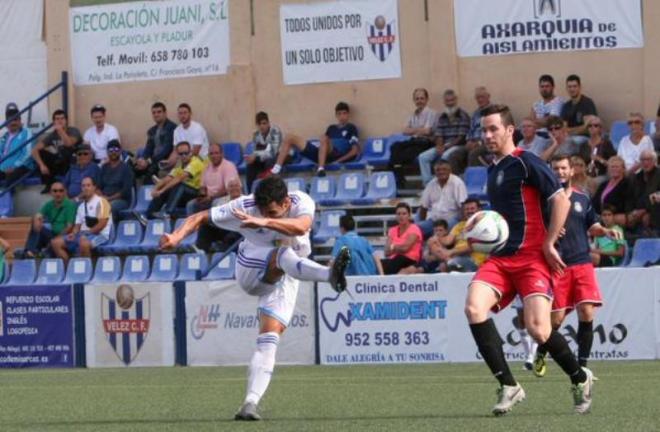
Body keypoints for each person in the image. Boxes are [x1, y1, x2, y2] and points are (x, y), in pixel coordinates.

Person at [159, 175, 352, 421]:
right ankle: (329, 275)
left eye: (271, 211)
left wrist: (263, 221)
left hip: (289, 274)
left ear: (285, 203)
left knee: (269, 339)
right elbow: (199, 217)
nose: (263, 213)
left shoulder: (302, 201)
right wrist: (176, 237)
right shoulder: (244, 207)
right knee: (282, 254)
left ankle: (249, 403)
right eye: (261, 210)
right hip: (252, 267)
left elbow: (302, 226)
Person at [464, 104, 593, 416]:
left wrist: (549, 242)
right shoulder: (493, 170)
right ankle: (509, 385)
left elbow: (561, 199)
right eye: (484, 129)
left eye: (494, 128)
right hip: (501, 259)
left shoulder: (527, 162)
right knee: (473, 307)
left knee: (540, 331)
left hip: (532, 258)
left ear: (510, 131)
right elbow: (503, 218)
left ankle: (579, 378)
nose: (488, 134)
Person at [533, 154, 621, 377]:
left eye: (563, 168)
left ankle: (582, 366)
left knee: (586, 311)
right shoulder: (545, 200)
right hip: (559, 265)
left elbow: (593, 225)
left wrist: (605, 231)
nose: (560, 172)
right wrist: (549, 232)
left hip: (582, 262)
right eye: (555, 169)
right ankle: (542, 352)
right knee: (556, 320)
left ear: (572, 171)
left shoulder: (582, 198)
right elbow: (536, 229)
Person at [269, 102, 359, 177]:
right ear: (336, 115)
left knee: (323, 138)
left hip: (336, 154)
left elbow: (354, 151)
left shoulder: (351, 128)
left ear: (348, 114)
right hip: (322, 154)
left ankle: (321, 169)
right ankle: (276, 169)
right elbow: (324, 144)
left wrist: (338, 161)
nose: (342, 116)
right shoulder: (331, 128)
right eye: (339, 114)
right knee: (289, 137)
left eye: (344, 113)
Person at [51, 176, 112, 263]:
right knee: (55, 242)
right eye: (83, 186)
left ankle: (85, 271)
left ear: (94, 187)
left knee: (83, 243)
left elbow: (102, 224)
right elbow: (77, 226)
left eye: (88, 185)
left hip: (100, 235)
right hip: (83, 235)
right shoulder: (81, 206)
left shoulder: (102, 202)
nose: (85, 188)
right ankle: (68, 269)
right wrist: (73, 234)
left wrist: (87, 233)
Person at [142, 141, 205, 220]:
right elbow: (168, 178)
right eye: (181, 154)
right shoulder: (179, 165)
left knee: (178, 185)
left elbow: (180, 178)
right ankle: (148, 216)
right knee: (168, 187)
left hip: (196, 194)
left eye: (186, 153)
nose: (184, 156)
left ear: (191, 152)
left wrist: (161, 191)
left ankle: (167, 213)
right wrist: (155, 190)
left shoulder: (196, 162)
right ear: (178, 155)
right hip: (182, 195)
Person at [388, 88, 437, 188]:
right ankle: (399, 178)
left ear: (427, 99)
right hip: (414, 140)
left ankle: (399, 180)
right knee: (395, 146)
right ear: (414, 100)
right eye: (417, 99)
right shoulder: (412, 114)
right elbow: (405, 131)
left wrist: (413, 130)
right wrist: (420, 129)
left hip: (425, 142)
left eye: (422, 98)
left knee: (395, 159)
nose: (419, 101)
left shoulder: (432, 113)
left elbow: (427, 131)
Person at [418, 89, 471, 181]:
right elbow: (439, 134)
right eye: (447, 101)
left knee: (445, 156)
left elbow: (461, 138)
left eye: (452, 100)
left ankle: (445, 183)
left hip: (458, 146)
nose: (450, 103)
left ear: (456, 100)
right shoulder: (442, 117)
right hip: (445, 145)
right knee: (423, 157)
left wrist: (446, 147)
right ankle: (428, 185)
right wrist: (439, 145)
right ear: (444, 101)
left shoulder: (463, 115)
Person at [31, 109, 82, 193]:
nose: (60, 121)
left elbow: (68, 144)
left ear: (66, 120)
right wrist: (42, 165)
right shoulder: (53, 135)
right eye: (57, 119)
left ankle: (65, 185)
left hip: (72, 161)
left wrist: (61, 131)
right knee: (42, 153)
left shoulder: (73, 131)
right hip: (60, 162)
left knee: (65, 150)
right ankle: (49, 184)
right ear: (54, 121)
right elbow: (34, 150)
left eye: (62, 118)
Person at [22, 182, 77, 258]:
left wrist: (58, 238)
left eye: (61, 191)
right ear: (51, 192)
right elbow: (38, 215)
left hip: (65, 237)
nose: (58, 193)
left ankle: (34, 252)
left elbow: (69, 226)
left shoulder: (69, 205)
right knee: (36, 225)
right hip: (52, 234)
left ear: (65, 192)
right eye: (55, 191)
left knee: (44, 233)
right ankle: (30, 252)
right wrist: (36, 220)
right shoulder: (49, 204)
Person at [417, 159, 467, 237]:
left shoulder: (457, 183)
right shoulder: (431, 184)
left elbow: (463, 205)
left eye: (444, 169)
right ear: (434, 172)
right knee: (416, 229)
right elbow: (424, 206)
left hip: (450, 220)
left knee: (442, 231)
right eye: (438, 170)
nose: (441, 172)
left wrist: (464, 225)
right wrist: (422, 222)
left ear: (450, 170)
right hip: (434, 220)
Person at [193, 177, 244, 252]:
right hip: (222, 226)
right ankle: (202, 250)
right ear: (227, 189)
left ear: (240, 187)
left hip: (237, 228)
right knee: (205, 226)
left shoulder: (246, 200)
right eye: (231, 186)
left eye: (236, 186)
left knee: (236, 231)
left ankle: (223, 249)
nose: (234, 188)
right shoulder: (220, 201)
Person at [186, 143, 239, 215]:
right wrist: (202, 196)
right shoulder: (206, 167)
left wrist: (211, 198)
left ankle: (213, 225)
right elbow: (203, 186)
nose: (214, 156)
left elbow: (228, 189)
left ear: (222, 154)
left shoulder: (229, 166)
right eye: (211, 154)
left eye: (216, 153)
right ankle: (195, 225)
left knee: (215, 204)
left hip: (225, 197)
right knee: (191, 205)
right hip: (209, 198)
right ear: (208, 156)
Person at [438, 198, 487, 272]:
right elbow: (447, 241)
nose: (469, 211)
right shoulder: (459, 225)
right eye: (467, 209)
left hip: (474, 260)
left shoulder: (483, 225)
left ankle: (449, 261)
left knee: (451, 263)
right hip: (457, 257)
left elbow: (473, 246)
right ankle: (448, 261)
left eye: (472, 208)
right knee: (443, 264)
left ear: (479, 210)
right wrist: (436, 237)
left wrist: (451, 252)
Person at [135, 102, 177, 183]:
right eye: (154, 112)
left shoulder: (172, 128)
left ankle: (150, 195)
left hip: (164, 161)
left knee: (149, 174)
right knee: (133, 170)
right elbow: (148, 148)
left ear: (165, 113)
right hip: (152, 160)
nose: (156, 115)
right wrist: (143, 159)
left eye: (159, 112)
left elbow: (166, 150)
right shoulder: (152, 130)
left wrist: (148, 161)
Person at [381, 203, 423, 275]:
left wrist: (393, 246)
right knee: (377, 263)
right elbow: (386, 252)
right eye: (399, 214)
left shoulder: (414, 229)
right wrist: (398, 248)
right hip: (394, 260)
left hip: (409, 261)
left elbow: (405, 248)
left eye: (404, 214)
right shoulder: (392, 230)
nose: (401, 216)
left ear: (409, 215)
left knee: (393, 261)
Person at [246, 112, 283, 192]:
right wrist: (253, 158)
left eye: (264, 123)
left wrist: (256, 155)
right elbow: (257, 150)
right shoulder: (256, 135)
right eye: (259, 124)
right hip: (266, 157)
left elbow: (274, 151)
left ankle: (270, 190)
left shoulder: (275, 131)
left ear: (268, 123)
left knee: (270, 160)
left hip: (282, 155)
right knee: (250, 165)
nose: (262, 126)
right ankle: (250, 193)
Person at [99, 140, 134, 222]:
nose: (113, 152)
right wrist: (102, 197)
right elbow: (98, 187)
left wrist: (109, 199)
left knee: (110, 206)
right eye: (110, 150)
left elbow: (125, 191)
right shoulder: (104, 167)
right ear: (107, 152)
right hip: (105, 199)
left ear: (120, 151)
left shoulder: (126, 168)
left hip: (121, 201)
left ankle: (110, 232)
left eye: (116, 150)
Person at [0, 103, 34, 185]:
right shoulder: (5, 136)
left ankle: (7, 196)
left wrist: (14, 167)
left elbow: (28, 153)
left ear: (20, 121)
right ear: (6, 122)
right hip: (4, 168)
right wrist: (2, 168)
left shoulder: (27, 133)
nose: (13, 123)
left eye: (15, 120)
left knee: (10, 178)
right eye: (10, 120)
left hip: (22, 167)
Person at [626, 150, 660, 231]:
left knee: (647, 217)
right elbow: (630, 197)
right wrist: (630, 212)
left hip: (654, 210)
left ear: (655, 161)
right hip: (637, 210)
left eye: (648, 159)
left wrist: (644, 210)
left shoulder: (658, 175)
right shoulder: (636, 177)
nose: (645, 162)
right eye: (643, 160)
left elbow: (656, 196)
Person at [593, 156, 629, 226]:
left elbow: (626, 204)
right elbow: (594, 201)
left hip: (617, 219)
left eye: (617, 167)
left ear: (623, 169)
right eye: (612, 167)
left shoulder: (626, 184)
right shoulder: (603, 184)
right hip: (600, 218)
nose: (614, 169)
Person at [560, 74, 597, 141]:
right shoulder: (566, 106)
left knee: (575, 141)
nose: (572, 89)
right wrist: (581, 128)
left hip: (585, 138)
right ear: (566, 88)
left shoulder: (587, 103)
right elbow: (563, 129)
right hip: (569, 138)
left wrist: (570, 130)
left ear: (580, 87)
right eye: (569, 87)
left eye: (574, 86)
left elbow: (589, 128)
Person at [466, 86, 493, 167]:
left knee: (473, 154)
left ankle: (474, 178)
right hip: (474, 142)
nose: (480, 100)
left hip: (488, 143)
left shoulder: (494, 111)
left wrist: (479, 142)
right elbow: (471, 130)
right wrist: (468, 141)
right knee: (455, 155)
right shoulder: (475, 113)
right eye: (478, 98)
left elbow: (493, 132)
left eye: (482, 97)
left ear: (488, 96)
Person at [585, 116, 616, 181]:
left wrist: (599, 159)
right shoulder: (584, 145)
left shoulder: (606, 144)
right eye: (590, 126)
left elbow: (613, 163)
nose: (592, 128)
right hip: (586, 174)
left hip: (602, 175)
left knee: (594, 182)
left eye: (595, 125)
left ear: (600, 128)